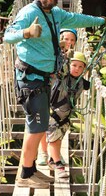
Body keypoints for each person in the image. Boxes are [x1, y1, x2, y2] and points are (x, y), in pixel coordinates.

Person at [4, 0, 106, 188]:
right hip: (31, 80)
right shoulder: (28, 12)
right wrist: (26, 33)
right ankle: (25, 175)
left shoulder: (56, 14)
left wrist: (104, 21)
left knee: (38, 126)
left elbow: (79, 19)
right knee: (36, 127)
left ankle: (30, 171)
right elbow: (8, 36)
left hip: (44, 80)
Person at [36, 28, 78, 166]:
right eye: (66, 39)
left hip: (63, 95)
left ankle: (55, 153)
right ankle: (43, 152)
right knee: (44, 120)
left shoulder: (75, 56)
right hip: (46, 88)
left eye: (72, 40)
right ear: (60, 39)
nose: (69, 42)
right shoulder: (50, 51)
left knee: (60, 123)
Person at [47, 52, 90, 178]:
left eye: (81, 67)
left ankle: (52, 159)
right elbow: (60, 67)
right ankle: (58, 165)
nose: (77, 69)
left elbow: (92, 83)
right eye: (74, 65)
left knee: (58, 139)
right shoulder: (62, 77)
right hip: (52, 113)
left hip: (65, 116)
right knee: (54, 139)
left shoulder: (83, 82)